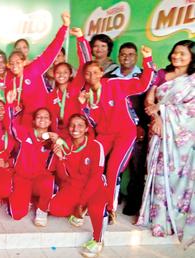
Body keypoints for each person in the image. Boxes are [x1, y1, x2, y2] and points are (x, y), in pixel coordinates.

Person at [78, 46, 154, 225]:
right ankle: (88, 201)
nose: (91, 77)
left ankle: (110, 209)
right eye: (87, 74)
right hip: (104, 135)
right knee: (92, 165)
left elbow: (143, 84)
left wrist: (148, 59)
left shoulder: (115, 83)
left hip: (125, 134)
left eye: (95, 72)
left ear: (102, 72)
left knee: (113, 169)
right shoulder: (88, 95)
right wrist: (84, 106)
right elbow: (92, 122)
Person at [137, 40, 195, 247]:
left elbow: (192, 110)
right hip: (160, 132)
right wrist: (157, 119)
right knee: (157, 172)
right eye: (175, 52)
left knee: (176, 176)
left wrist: (164, 112)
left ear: (192, 58)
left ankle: (175, 217)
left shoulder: (193, 80)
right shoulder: (161, 74)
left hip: (182, 138)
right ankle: (158, 219)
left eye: (183, 54)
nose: (176, 56)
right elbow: (149, 101)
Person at [49, 114, 108, 257]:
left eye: (80, 125)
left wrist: (81, 203)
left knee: (96, 208)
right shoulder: (65, 144)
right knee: (55, 209)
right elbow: (63, 176)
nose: (75, 129)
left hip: (95, 186)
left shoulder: (95, 145)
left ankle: (98, 240)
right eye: (72, 125)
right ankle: (79, 208)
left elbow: (95, 177)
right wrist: (61, 159)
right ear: (68, 128)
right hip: (75, 186)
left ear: (86, 128)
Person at [104, 42, 149, 216]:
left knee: (136, 167)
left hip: (136, 128)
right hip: (113, 128)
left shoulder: (143, 76)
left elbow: (147, 102)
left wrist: (142, 126)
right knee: (113, 165)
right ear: (119, 56)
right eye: (123, 54)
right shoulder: (108, 76)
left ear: (136, 56)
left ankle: (134, 202)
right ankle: (112, 199)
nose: (126, 57)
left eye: (130, 54)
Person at [5, 12, 70, 127]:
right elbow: (15, 106)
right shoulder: (12, 83)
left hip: (47, 114)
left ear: (24, 62)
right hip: (29, 118)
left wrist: (64, 27)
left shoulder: (33, 69)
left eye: (18, 62)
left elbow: (51, 50)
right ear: (8, 65)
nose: (15, 66)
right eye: (12, 63)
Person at [46, 27, 91, 135]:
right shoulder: (51, 96)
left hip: (79, 131)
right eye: (58, 72)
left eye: (65, 72)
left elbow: (86, 63)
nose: (61, 75)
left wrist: (80, 39)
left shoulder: (76, 85)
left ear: (70, 74)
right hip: (61, 134)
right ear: (54, 74)